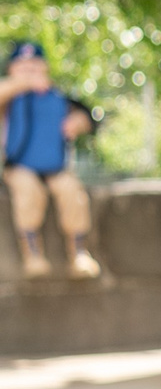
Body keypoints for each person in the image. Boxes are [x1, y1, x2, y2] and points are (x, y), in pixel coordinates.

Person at [2, 42, 102, 279]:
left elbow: (89, 117)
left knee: (72, 192)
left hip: (55, 168)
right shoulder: (9, 97)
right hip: (18, 167)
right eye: (22, 66)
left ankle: (78, 251)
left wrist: (77, 122)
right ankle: (33, 254)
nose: (29, 70)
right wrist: (24, 83)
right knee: (27, 191)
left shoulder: (56, 96)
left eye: (34, 65)